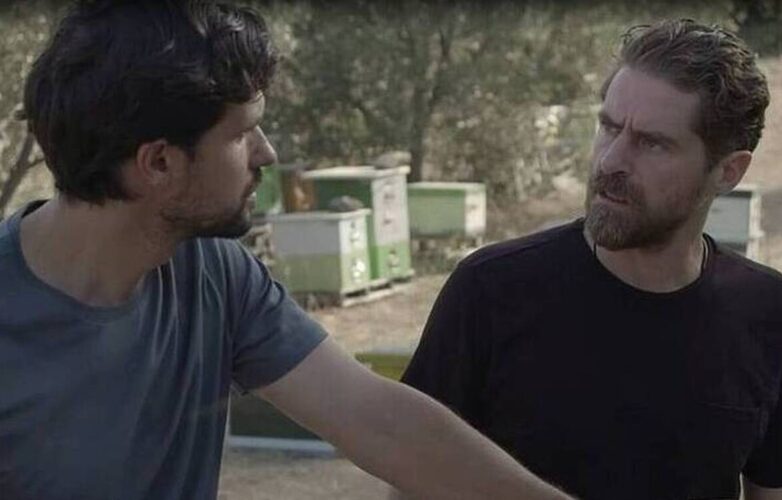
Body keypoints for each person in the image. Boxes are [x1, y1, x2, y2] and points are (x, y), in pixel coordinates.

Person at [0, 1, 573, 499]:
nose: (266, 153)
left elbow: (378, 421)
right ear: (160, 163)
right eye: (241, 133)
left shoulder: (213, 269)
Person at [401, 19, 782, 500]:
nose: (610, 161)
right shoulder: (490, 291)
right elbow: (410, 480)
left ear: (728, 172)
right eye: (609, 127)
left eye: (652, 143)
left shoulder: (770, 315)